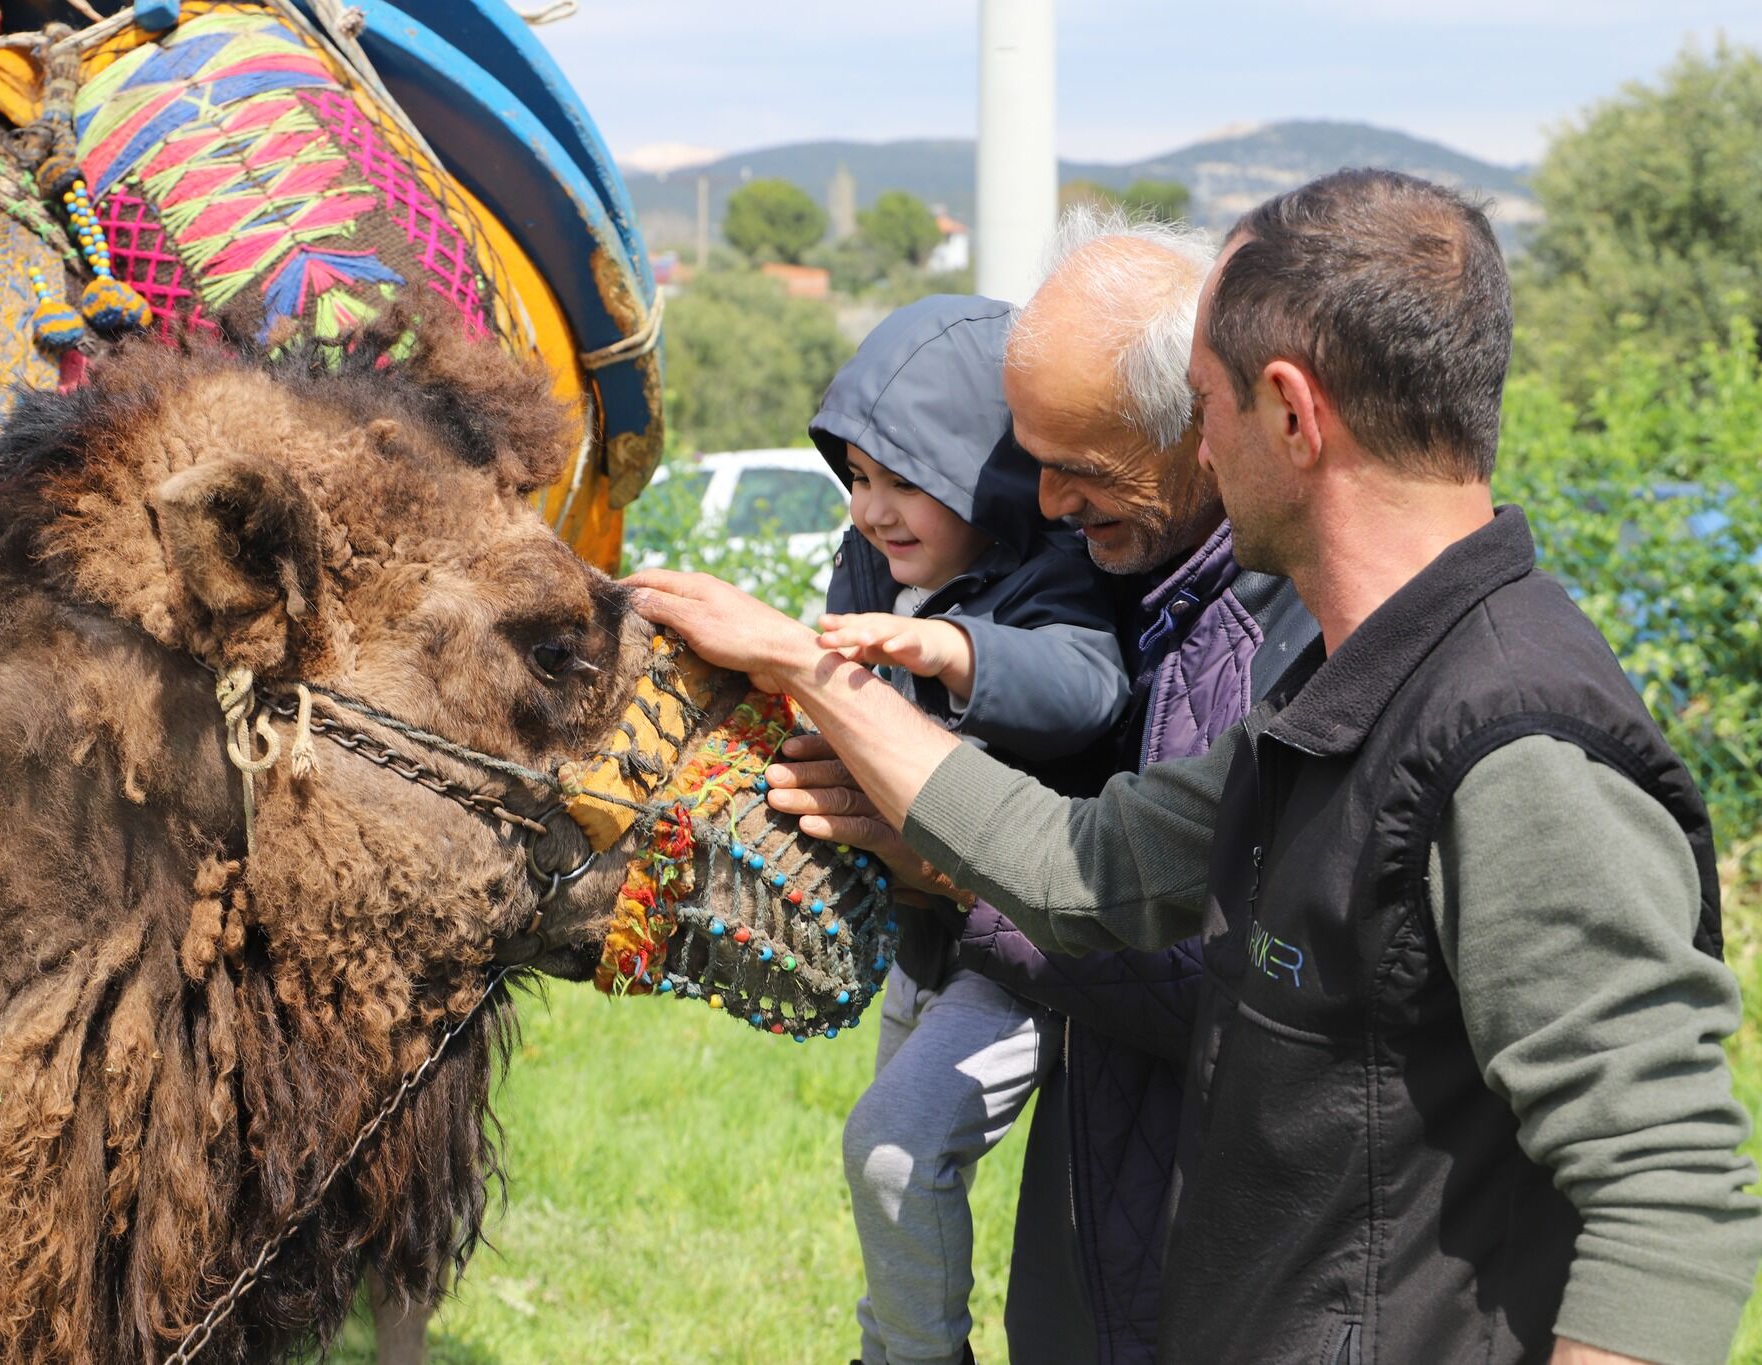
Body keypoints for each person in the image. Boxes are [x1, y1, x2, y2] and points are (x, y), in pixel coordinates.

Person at [631, 169, 1762, 1365]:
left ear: (1287, 413)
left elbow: (1667, 1191)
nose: (1198, 447)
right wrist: (811, 672)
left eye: (1202, 402)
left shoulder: (1511, 740)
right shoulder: (1348, 689)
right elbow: (1083, 866)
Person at [956, 205, 1317, 1364]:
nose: (1051, 505)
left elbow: (1208, 988)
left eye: (1083, 469)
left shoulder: (1287, 641)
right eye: (1036, 465)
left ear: (1198, 427)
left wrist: (949, 875)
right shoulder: (1144, 595)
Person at [803, 293, 1129, 1365]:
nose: (871, 510)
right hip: (923, 940)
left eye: (904, 481)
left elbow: (1084, 688)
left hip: (1021, 945)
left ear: (984, 476)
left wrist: (953, 652)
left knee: (896, 1145)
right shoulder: (875, 571)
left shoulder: (1058, 576)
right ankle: (890, 1340)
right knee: (890, 1164)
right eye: (855, 479)